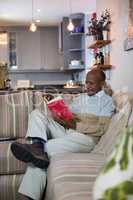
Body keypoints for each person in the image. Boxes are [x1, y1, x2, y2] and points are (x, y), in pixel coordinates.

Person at [11, 69, 115, 200]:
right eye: (86, 83)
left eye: (91, 83)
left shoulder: (107, 101)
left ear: (102, 84)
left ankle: (27, 196)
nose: (87, 86)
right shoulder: (81, 97)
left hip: (85, 138)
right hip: (68, 131)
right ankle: (37, 145)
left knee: (44, 152)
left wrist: (75, 125)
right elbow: (68, 114)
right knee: (36, 114)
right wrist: (58, 113)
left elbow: (102, 128)